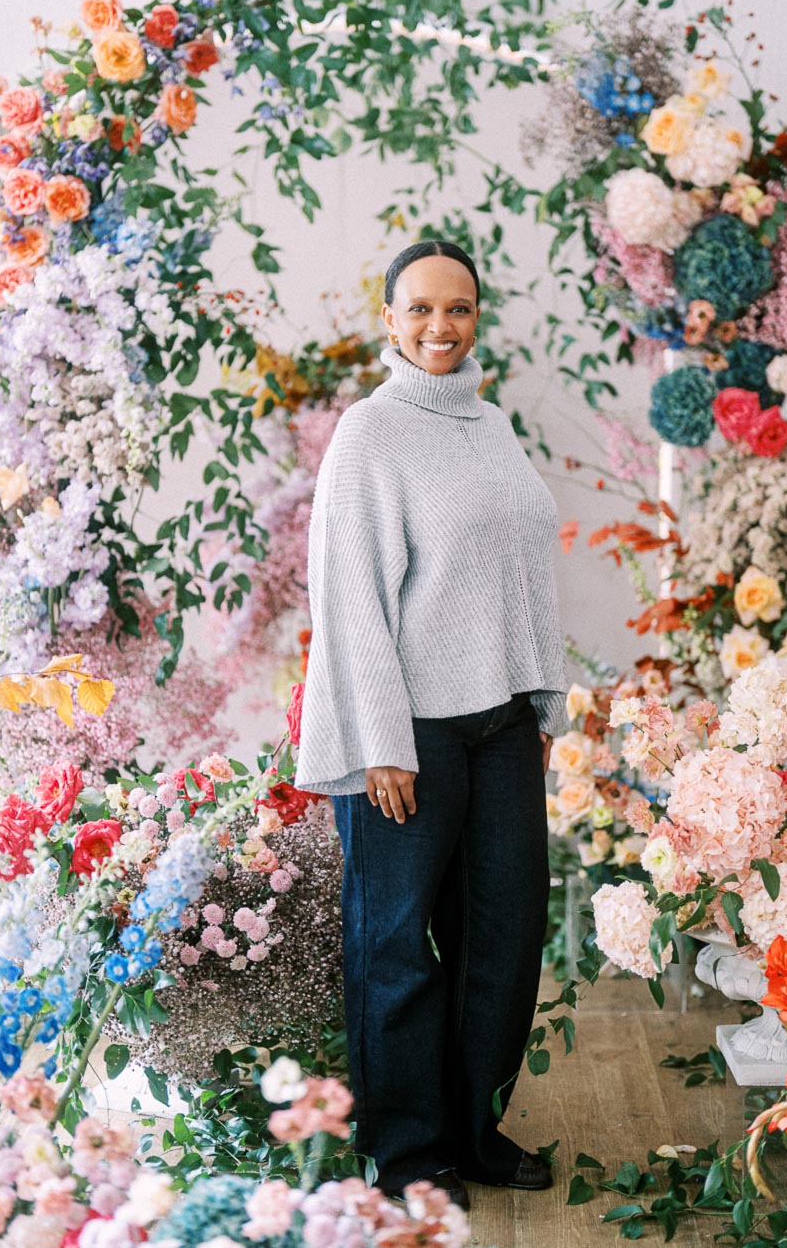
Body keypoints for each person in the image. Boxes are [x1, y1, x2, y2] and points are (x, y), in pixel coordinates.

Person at [293, 239, 568, 1208]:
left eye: (458, 309)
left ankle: (472, 1132)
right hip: (409, 737)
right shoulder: (369, 435)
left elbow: (522, 567)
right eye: (420, 310)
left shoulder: (490, 425)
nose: (439, 327)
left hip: (499, 732)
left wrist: (540, 700)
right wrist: (380, 743)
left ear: (478, 315)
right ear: (390, 318)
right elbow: (350, 599)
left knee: (503, 940)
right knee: (398, 949)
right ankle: (407, 1157)